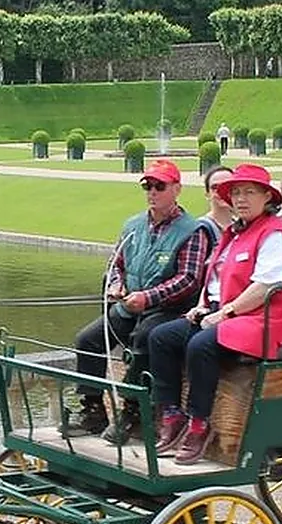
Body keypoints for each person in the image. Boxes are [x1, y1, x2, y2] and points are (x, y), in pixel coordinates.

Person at [146, 164, 282, 462]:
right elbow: (217, 280)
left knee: (200, 344)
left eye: (249, 192)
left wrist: (226, 312)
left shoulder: (276, 235)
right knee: (161, 337)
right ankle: (171, 415)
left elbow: (265, 287)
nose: (241, 199)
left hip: (261, 320)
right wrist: (203, 307)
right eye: (236, 193)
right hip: (226, 315)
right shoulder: (234, 233)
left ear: (267, 198)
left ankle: (199, 423)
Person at [65, 158, 216, 445]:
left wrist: (148, 297)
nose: (152, 192)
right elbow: (115, 263)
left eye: (160, 186)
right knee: (88, 339)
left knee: (145, 337)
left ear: (177, 189)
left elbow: (189, 279)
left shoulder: (193, 231)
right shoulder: (133, 226)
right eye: (148, 186)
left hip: (169, 310)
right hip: (129, 304)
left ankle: (133, 410)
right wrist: (116, 284)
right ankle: (93, 409)